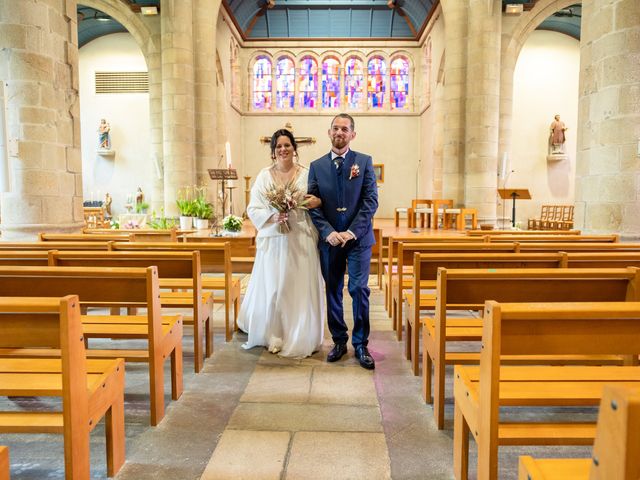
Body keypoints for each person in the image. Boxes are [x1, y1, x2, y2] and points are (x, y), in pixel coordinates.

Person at [236, 129, 325, 358]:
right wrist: (272, 216)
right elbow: (253, 208)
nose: (283, 150)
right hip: (274, 238)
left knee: (297, 286)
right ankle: (274, 333)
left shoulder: (306, 174)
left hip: (300, 238)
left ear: (294, 148)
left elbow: (318, 199)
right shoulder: (264, 176)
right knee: (275, 287)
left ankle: (299, 333)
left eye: (287, 145)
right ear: (273, 152)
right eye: (279, 147)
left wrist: (302, 201)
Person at [308, 113, 379, 370]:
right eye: (336, 128)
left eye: (345, 129)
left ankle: (361, 343)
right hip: (330, 240)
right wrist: (327, 231)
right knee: (333, 290)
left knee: (359, 289)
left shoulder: (364, 162)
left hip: (357, 240)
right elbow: (312, 204)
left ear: (352, 135)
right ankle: (339, 340)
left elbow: (370, 201)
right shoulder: (316, 166)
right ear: (329, 133)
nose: (340, 132)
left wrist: (351, 232)